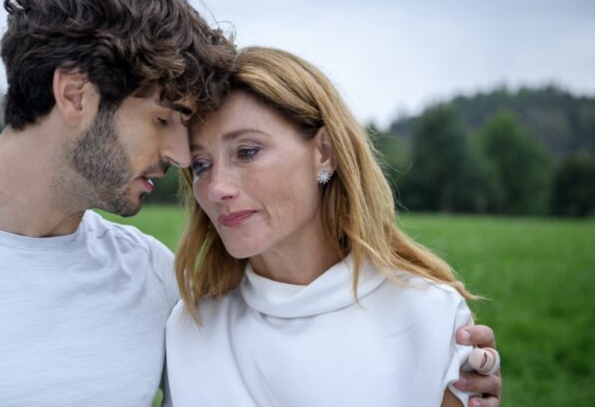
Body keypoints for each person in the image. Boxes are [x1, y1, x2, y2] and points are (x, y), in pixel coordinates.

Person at [0, 0, 500, 406]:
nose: (184, 159)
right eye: (163, 120)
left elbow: (297, 342)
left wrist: (438, 372)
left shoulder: (157, 281)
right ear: (75, 95)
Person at [166, 47, 502, 407]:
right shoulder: (190, 326)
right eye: (201, 165)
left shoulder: (430, 316)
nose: (216, 188)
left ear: (324, 152)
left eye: (247, 152)